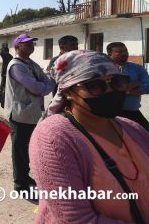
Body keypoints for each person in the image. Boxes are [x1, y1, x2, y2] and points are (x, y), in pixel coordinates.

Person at [30, 50, 148, 223]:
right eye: (94, 86)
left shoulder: (132, 128)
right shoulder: (54, 137)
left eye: (117, 82)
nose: (110, 91)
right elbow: (76, 219)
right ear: (69, 92)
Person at [5, 33, 54, 194]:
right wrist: (44, 88)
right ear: (17, 47)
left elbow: (46, 82)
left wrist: (44, 87)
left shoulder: (31, 64)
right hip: (20, 114)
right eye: (27, 44)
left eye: (32, 44)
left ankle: (24, 176)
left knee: (27, 147)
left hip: (31, 113)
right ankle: (20, 183)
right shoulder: (16, 66)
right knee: (19, 150)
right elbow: (35, 87)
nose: (31, 46)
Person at [107, 42, 149, 130]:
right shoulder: (105, 69)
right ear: (110, 53)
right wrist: (133, 85)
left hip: (132, 112)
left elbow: (147, 85)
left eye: (125, 50)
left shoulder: (138, 68)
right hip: (110, 113)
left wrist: (138, 90)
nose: (124, 53)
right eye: (120, 51)